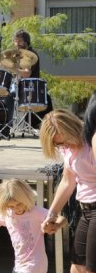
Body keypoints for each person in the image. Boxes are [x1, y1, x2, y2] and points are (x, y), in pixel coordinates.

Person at [0, 179, 66, 273]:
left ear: (26, 198)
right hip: (19, 265)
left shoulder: (35, 212)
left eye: (19, 204)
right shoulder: (7, 215)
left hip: (35, 264)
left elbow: (62, 219)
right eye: (11, 206)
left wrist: (55, 226)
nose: (16, 208)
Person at [40, 108, 96, 273]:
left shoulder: (91, 142)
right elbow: (67, 181)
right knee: (77, 267)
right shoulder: (68, 148)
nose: (61, 147)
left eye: (61, 142)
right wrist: (52, 214)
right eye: (57, 145)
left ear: (71, 129)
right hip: (85, 211)